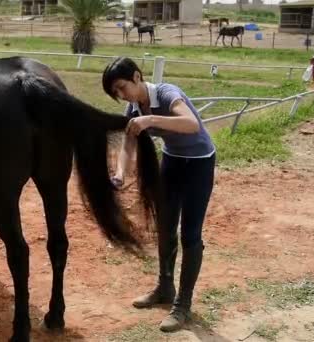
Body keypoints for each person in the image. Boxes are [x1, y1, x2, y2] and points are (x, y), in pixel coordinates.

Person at [102, 57, 216, 332]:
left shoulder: (167, 93)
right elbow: (129, 144)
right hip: (172, 161)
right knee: (165, 227)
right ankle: (165, 287)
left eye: (121, 87)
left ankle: (183, 305)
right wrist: (119, 173)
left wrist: (150, 118)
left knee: (190, 234)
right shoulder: (133, 108)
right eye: (115, 93)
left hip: (199, 163)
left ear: (137, 77)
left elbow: (192, 124)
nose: (121, 95)